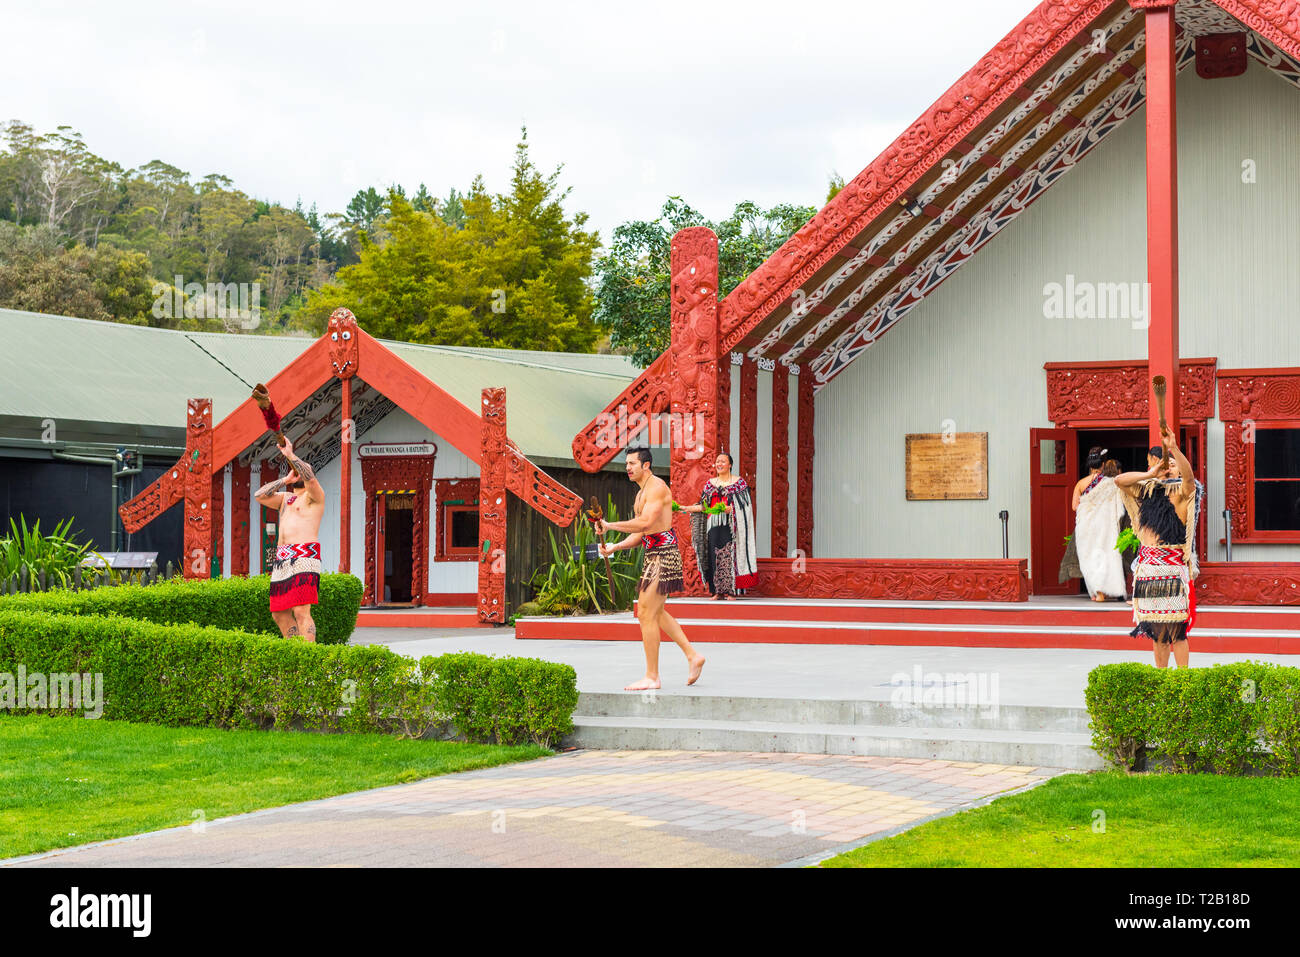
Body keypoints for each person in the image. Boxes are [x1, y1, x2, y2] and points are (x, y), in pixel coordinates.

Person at [596, 447, 706, 690]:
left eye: (632, 463)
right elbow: (643, 533)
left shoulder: (656, 488)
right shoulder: (641, 493)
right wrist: (614, 546)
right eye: (626, 463)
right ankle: (692, 656)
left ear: (646, 465)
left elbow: (645, 522)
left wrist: (610, 524)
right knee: (655, 613)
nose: (628, 468)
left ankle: (652, 676)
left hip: (664, 556)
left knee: (646, 613)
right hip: (654, 554)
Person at [1114, 427, 1200, 668]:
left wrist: (1173, 449)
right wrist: (1151, 472)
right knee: (1157, 634)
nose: (1168, 468)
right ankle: (1161, 680)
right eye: (1166, 465)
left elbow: (1190, 479)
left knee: (1178, 633)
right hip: (1149, 569)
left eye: (1172, 465)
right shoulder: (1146, 491)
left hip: (1172, 569)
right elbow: (1119, 481)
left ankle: (1183, 681)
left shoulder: (1182, 493)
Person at [253, 437, 325, 641]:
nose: (301, 473)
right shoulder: (286, 498)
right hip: (282, 560)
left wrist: (291, 455)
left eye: (303, 470)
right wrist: (284, 481)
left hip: (304, 556)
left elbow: (310, 478)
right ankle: (295, 651)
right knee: (278, 613)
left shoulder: (315, 496)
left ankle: (308, 659)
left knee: (301, 611)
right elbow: (259, 495)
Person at [683, 451, 758, 600]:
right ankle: (716, 591)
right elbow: (704, 506)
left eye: (723, 461)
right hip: (713, 526)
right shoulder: (710, 484)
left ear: (730, 465)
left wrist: (732, 509)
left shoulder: (739, 483)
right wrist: (687, 508)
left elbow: (746, 507)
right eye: (717, 461)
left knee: (729, 555)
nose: (719, 464)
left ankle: (730, 591)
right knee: (712, 555)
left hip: (730, 525)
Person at [1071, 446, 1126, 601]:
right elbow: (1118, 506)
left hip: (1086, 526)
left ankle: (1097, 592)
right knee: (1106, 556)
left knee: (1089, 558)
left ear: (1090, 465)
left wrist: (1090, 505)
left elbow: (1075, 506)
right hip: (1105, 525)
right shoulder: (1111, 482)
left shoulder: (1081, 483)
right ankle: (1106, 591)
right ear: (1103, 464)